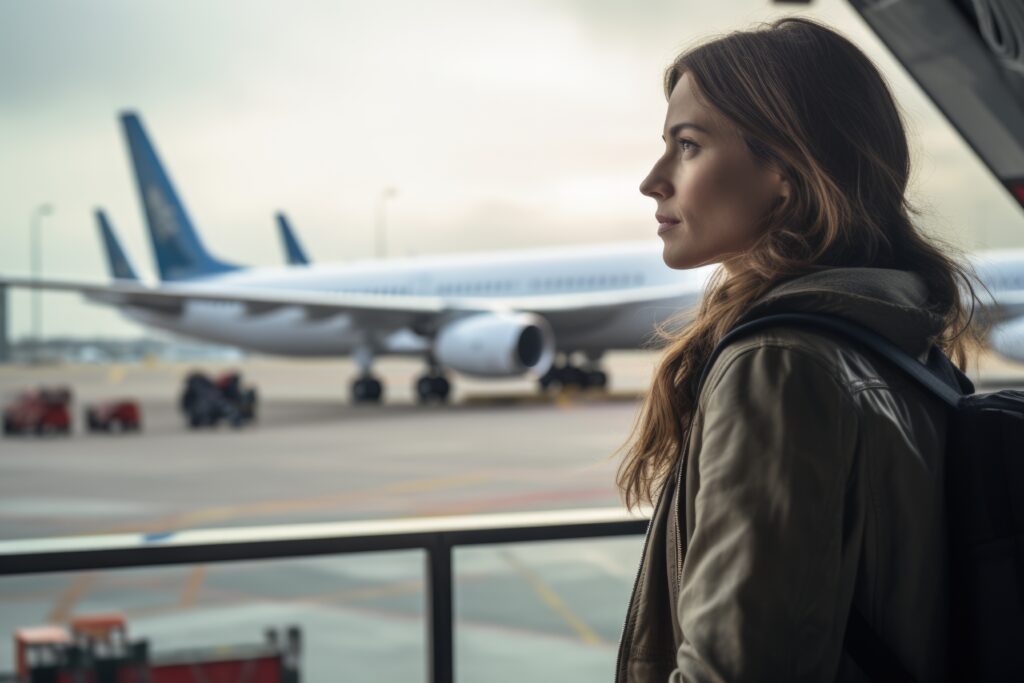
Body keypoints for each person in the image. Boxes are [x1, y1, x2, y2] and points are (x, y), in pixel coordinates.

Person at [614, 17, 986, 682]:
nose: (653, 180)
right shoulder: (895, 341)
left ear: (786, 169)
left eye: (688, 145)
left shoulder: (779, 363)